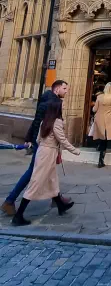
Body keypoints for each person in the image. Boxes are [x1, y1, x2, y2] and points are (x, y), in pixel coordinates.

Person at [1, 80, 71, 216]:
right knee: (32, 172)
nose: (66, 91)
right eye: (64, 88)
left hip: (40, 142)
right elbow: (48, 126)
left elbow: (36, 121)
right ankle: (9, 201)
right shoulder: (55, 103)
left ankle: (57, 200)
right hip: (45, 144)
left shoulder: (45, 99)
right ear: (56, 89)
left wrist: (29, 138)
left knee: (49, 172)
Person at [12, 98, 80, 226]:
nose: (64, 108)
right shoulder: (57, 122)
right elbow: (62, 140)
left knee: (52, 180)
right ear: (57, 109)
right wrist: (75, 151)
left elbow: (38, 139)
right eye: (62, 106)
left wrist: (45, 145)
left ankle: (60, 205)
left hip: (42, 151)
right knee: (36, 182)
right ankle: (18, 216)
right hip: (48, 153)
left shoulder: (45, 121)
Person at [92, 82, 111, 168]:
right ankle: (101, 160)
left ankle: (100, 151)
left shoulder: (99, 97)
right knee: (105, 137)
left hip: (100, 119)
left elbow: (94, 109)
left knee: (102, 136)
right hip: (109, 120)